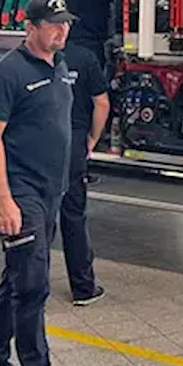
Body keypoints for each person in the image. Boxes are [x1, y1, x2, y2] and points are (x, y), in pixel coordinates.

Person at [0, 0, 84, 366]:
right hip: (20, 193)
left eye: (66, 23)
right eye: (54, 24)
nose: (63, 30)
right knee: (34, 287)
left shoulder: (59, 65)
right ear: (31, 27)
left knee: (17, 278)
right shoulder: (8, 73)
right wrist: (2, 198)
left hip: (49, 191)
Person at [58, 37, 109, 306]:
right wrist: (92, 138)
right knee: (73, 216)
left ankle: (30, 286)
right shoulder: (85, 58)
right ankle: (82, 288)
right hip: (73, 141)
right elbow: (101, 103)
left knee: (37, 219)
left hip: (39, 144)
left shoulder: (22, 61)